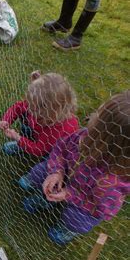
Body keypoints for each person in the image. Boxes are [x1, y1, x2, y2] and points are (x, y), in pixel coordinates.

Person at [18, 91, 130, 245]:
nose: (92, 115)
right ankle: (45, 198)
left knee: (76, 219)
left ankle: (67, 229)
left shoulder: (111, 182)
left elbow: (99, 209)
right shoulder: (84, 136)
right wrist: (57, 172)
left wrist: (69, 195)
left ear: (108, 139)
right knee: (40, 173)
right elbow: (61, 148)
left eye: (98, 116)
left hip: (85, 201)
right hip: (65, 176)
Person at [0, 71, 79, 157]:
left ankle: (26, 146)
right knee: (26, 123)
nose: (29, 107)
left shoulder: (58, 128)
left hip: (54, 151)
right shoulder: (36, 104)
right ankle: (26, 143)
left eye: (33, 107)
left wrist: (18, 138)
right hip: (38, 132)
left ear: (50, 110)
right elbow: (18, 107)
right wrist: (6, 120)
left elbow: (39, 150)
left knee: (42, 166)